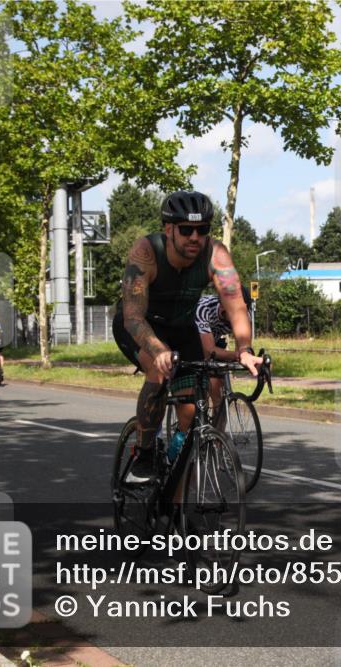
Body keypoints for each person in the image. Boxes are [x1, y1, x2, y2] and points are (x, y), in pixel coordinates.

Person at [112, 190, 262, 484]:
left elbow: (236, 305)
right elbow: (133, 316)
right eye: (186, 230)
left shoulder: (215, 255)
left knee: (191, 413)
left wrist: (244, 348)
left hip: (181, 329)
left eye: (202, 230)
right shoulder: (146, 252)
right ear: (168, 229)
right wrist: (157, 350)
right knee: (158, 367)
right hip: (140, 327)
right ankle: (143, 453)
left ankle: (176, 507)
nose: (195, 237)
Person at [194, 287, 254, 422]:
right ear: (222, 308)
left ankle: (217, 439)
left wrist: (247, 357)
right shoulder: (203, 309)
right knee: (206, 386)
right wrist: (236, 355)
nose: (241, 317)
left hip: (215, 340)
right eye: (236, 313)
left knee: (220, 398)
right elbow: (209, 350)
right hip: (192, 342)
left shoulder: (244, 314)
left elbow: (243, 349)